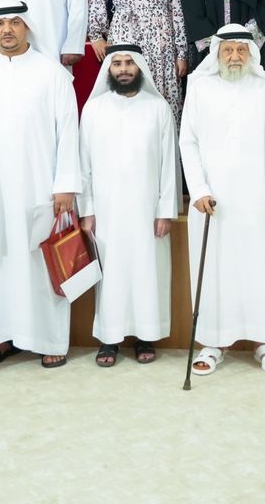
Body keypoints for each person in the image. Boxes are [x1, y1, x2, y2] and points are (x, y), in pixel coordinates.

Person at [0, 2, 81, 370]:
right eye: (0, 23)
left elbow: (69, 132)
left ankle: (48, 339)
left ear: (28, 27)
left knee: (40, 261)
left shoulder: (52, 74)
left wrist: (65, 184)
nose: (7, 29)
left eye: (15, 22)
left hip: (40, 184)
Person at [178, 25, 265, 376]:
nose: (235, 56)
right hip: (212, 199)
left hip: (255, 197)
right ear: (217, 53)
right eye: (228, 50)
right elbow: (188, 141)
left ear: (251, 53)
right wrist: (198, 189)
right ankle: (212, 342)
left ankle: (261, 341)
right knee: (214, 269)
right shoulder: (199, 86)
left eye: (241, 50)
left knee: (256, 267)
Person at [78, 46, 177, 367]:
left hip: (147, 210)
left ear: (141, 68)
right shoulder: (94, 109)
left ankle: (146, 336)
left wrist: (165, 210)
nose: (123, 69)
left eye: (129, 63)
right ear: (108, 69)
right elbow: (84, 165)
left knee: (148, 270)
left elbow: (168, 164)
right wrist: (87, 210)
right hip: (106, 211)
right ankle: (110, 338)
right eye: (117, 63)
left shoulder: (158, 108)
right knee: (112, 274)